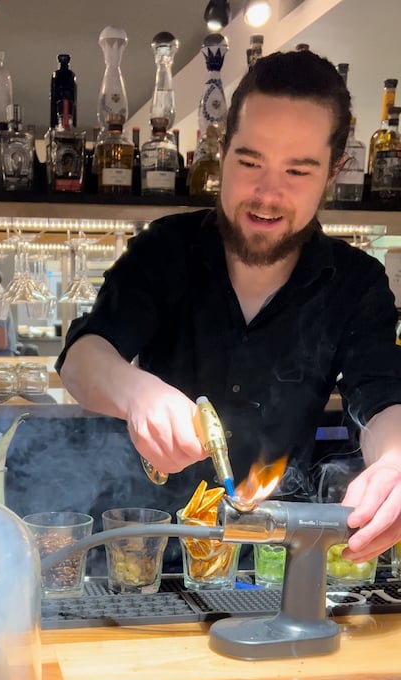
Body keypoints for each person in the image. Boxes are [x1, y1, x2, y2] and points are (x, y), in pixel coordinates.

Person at [57, 49, 401, 566]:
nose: (267, 194)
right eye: (249, 162)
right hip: (150, 559)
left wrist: (396, 461)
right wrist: (134, 391)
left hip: (273, 564)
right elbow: (82, 358)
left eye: (298, 171)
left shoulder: (355, 282)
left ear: (334, 171)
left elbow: (380, 395)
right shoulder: (166, 248)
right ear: (222, 154)